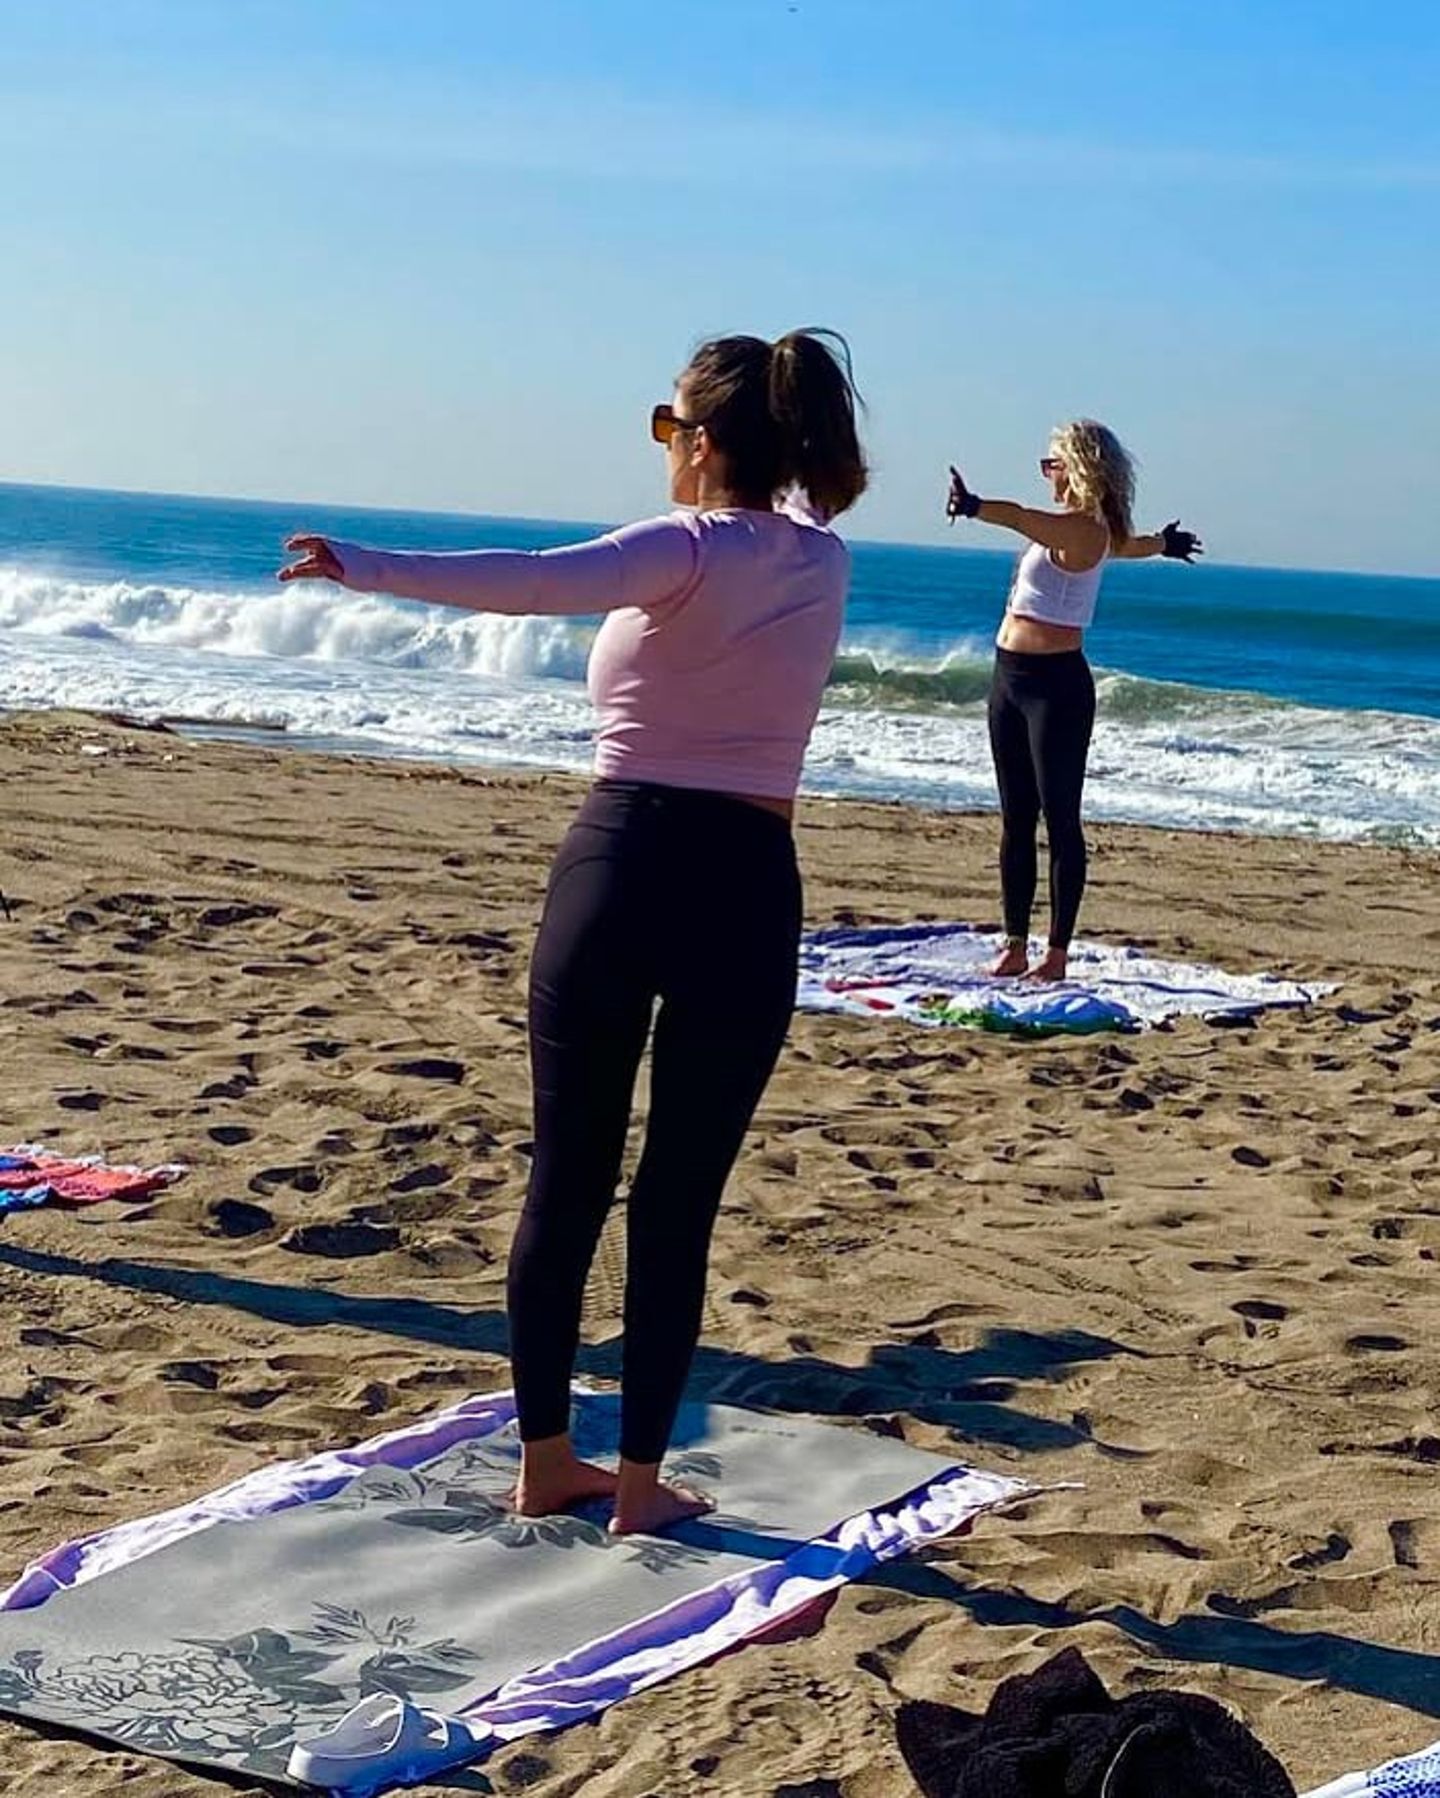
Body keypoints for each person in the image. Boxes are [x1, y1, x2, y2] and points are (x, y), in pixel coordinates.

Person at [279, 330, 867, 1534]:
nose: (664, 452)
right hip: (748, 882)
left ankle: (548, 1460)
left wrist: (362, 565)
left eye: (668, 430)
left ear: (700, 443)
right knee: (678, 1196)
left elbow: (530, 578)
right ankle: (640, 1485)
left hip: (620, 864)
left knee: (570, 1175)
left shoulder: (685, 546)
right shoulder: (826, 563)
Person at [946, 423, 1201, 981]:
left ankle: (1056, 954)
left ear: (1079, 467)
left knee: (1060, 819)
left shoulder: (1084, 528)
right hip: (1008, 678)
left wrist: (972, 505)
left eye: (1052, 464)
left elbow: (1016, 516)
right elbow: (1129, 547)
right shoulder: (1094, 532)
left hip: (1055, 688)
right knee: (1016, 817)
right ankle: (1015, 943)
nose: (1047, 474)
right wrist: (1164, 543)